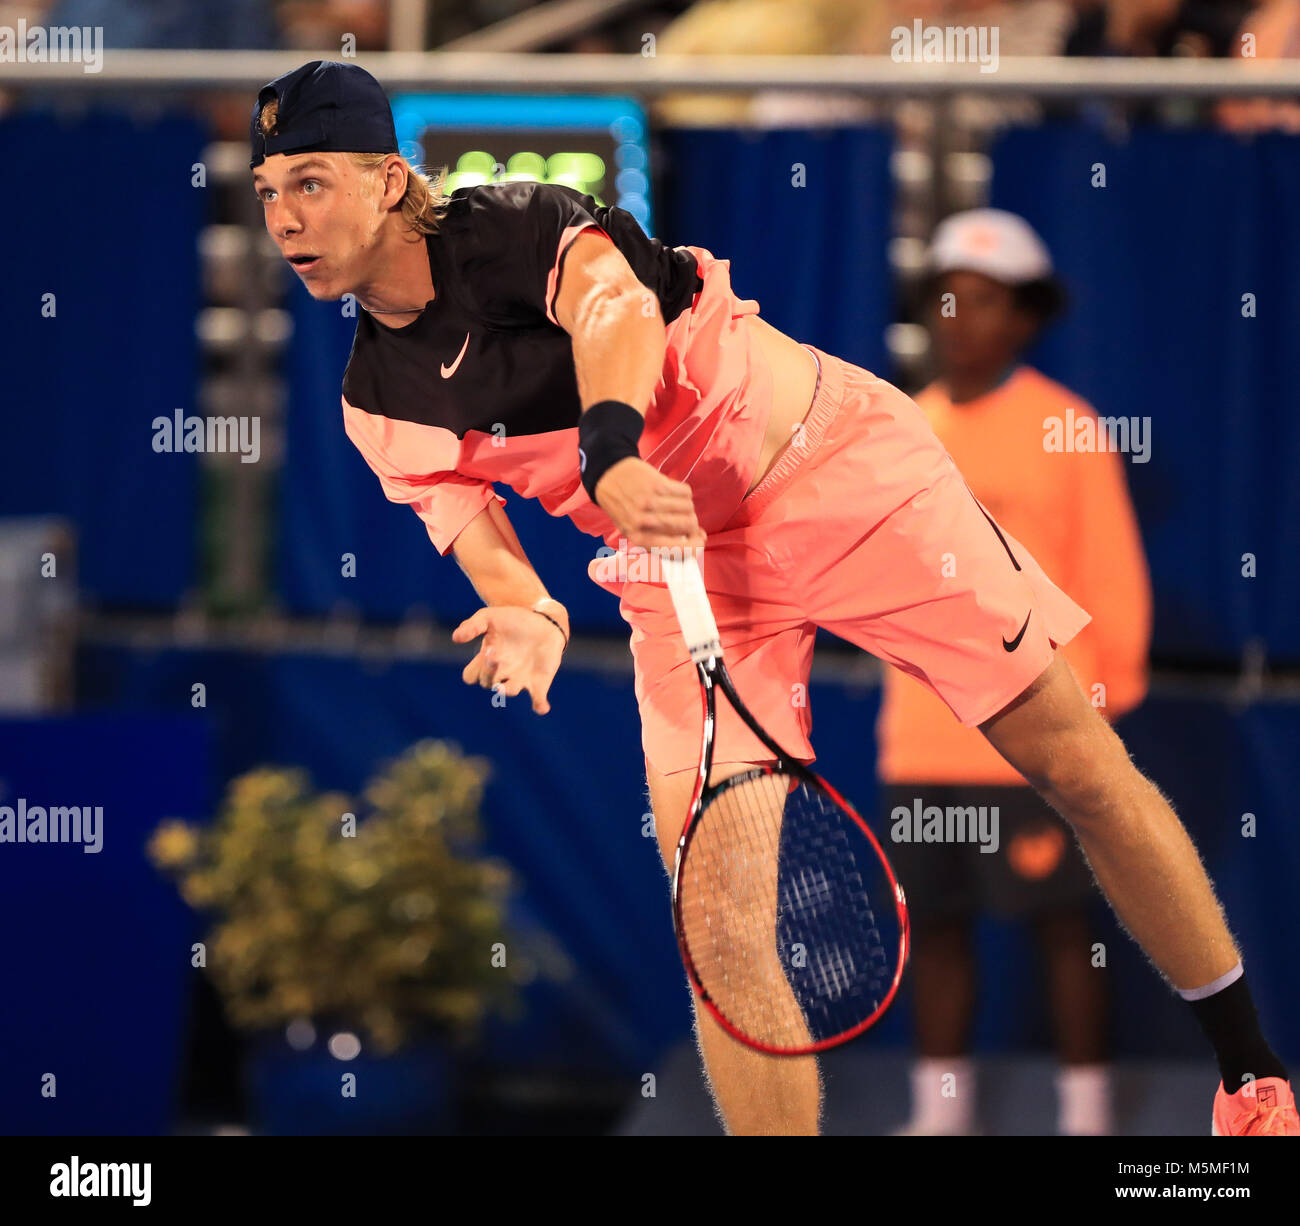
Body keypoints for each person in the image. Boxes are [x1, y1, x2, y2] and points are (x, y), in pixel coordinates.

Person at [249, 60, 1298, 1137]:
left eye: (312, 182)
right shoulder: (377, 407)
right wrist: (529, 609)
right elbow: (494, 557)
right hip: (682, 573)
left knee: (1078, 764)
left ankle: (1251, 1074)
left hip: (836, 474)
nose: (286, 217)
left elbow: (611, 306)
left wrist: (610, 448)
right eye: (269, 193)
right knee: (716, 916)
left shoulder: (514, 222)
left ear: (387, 181)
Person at [880, 210, 1151, 1135]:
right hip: (923, 740)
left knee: (1066, 932)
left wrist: (1095, 723)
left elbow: (1113, 579)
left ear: (1024, 318)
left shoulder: (1067, 426)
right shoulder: (899, 428)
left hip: (1040, 741)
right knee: (938, 937)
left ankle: (1089, 1119)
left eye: (986, 300)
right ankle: (940, 1117)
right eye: (947, 296)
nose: (961, 315)